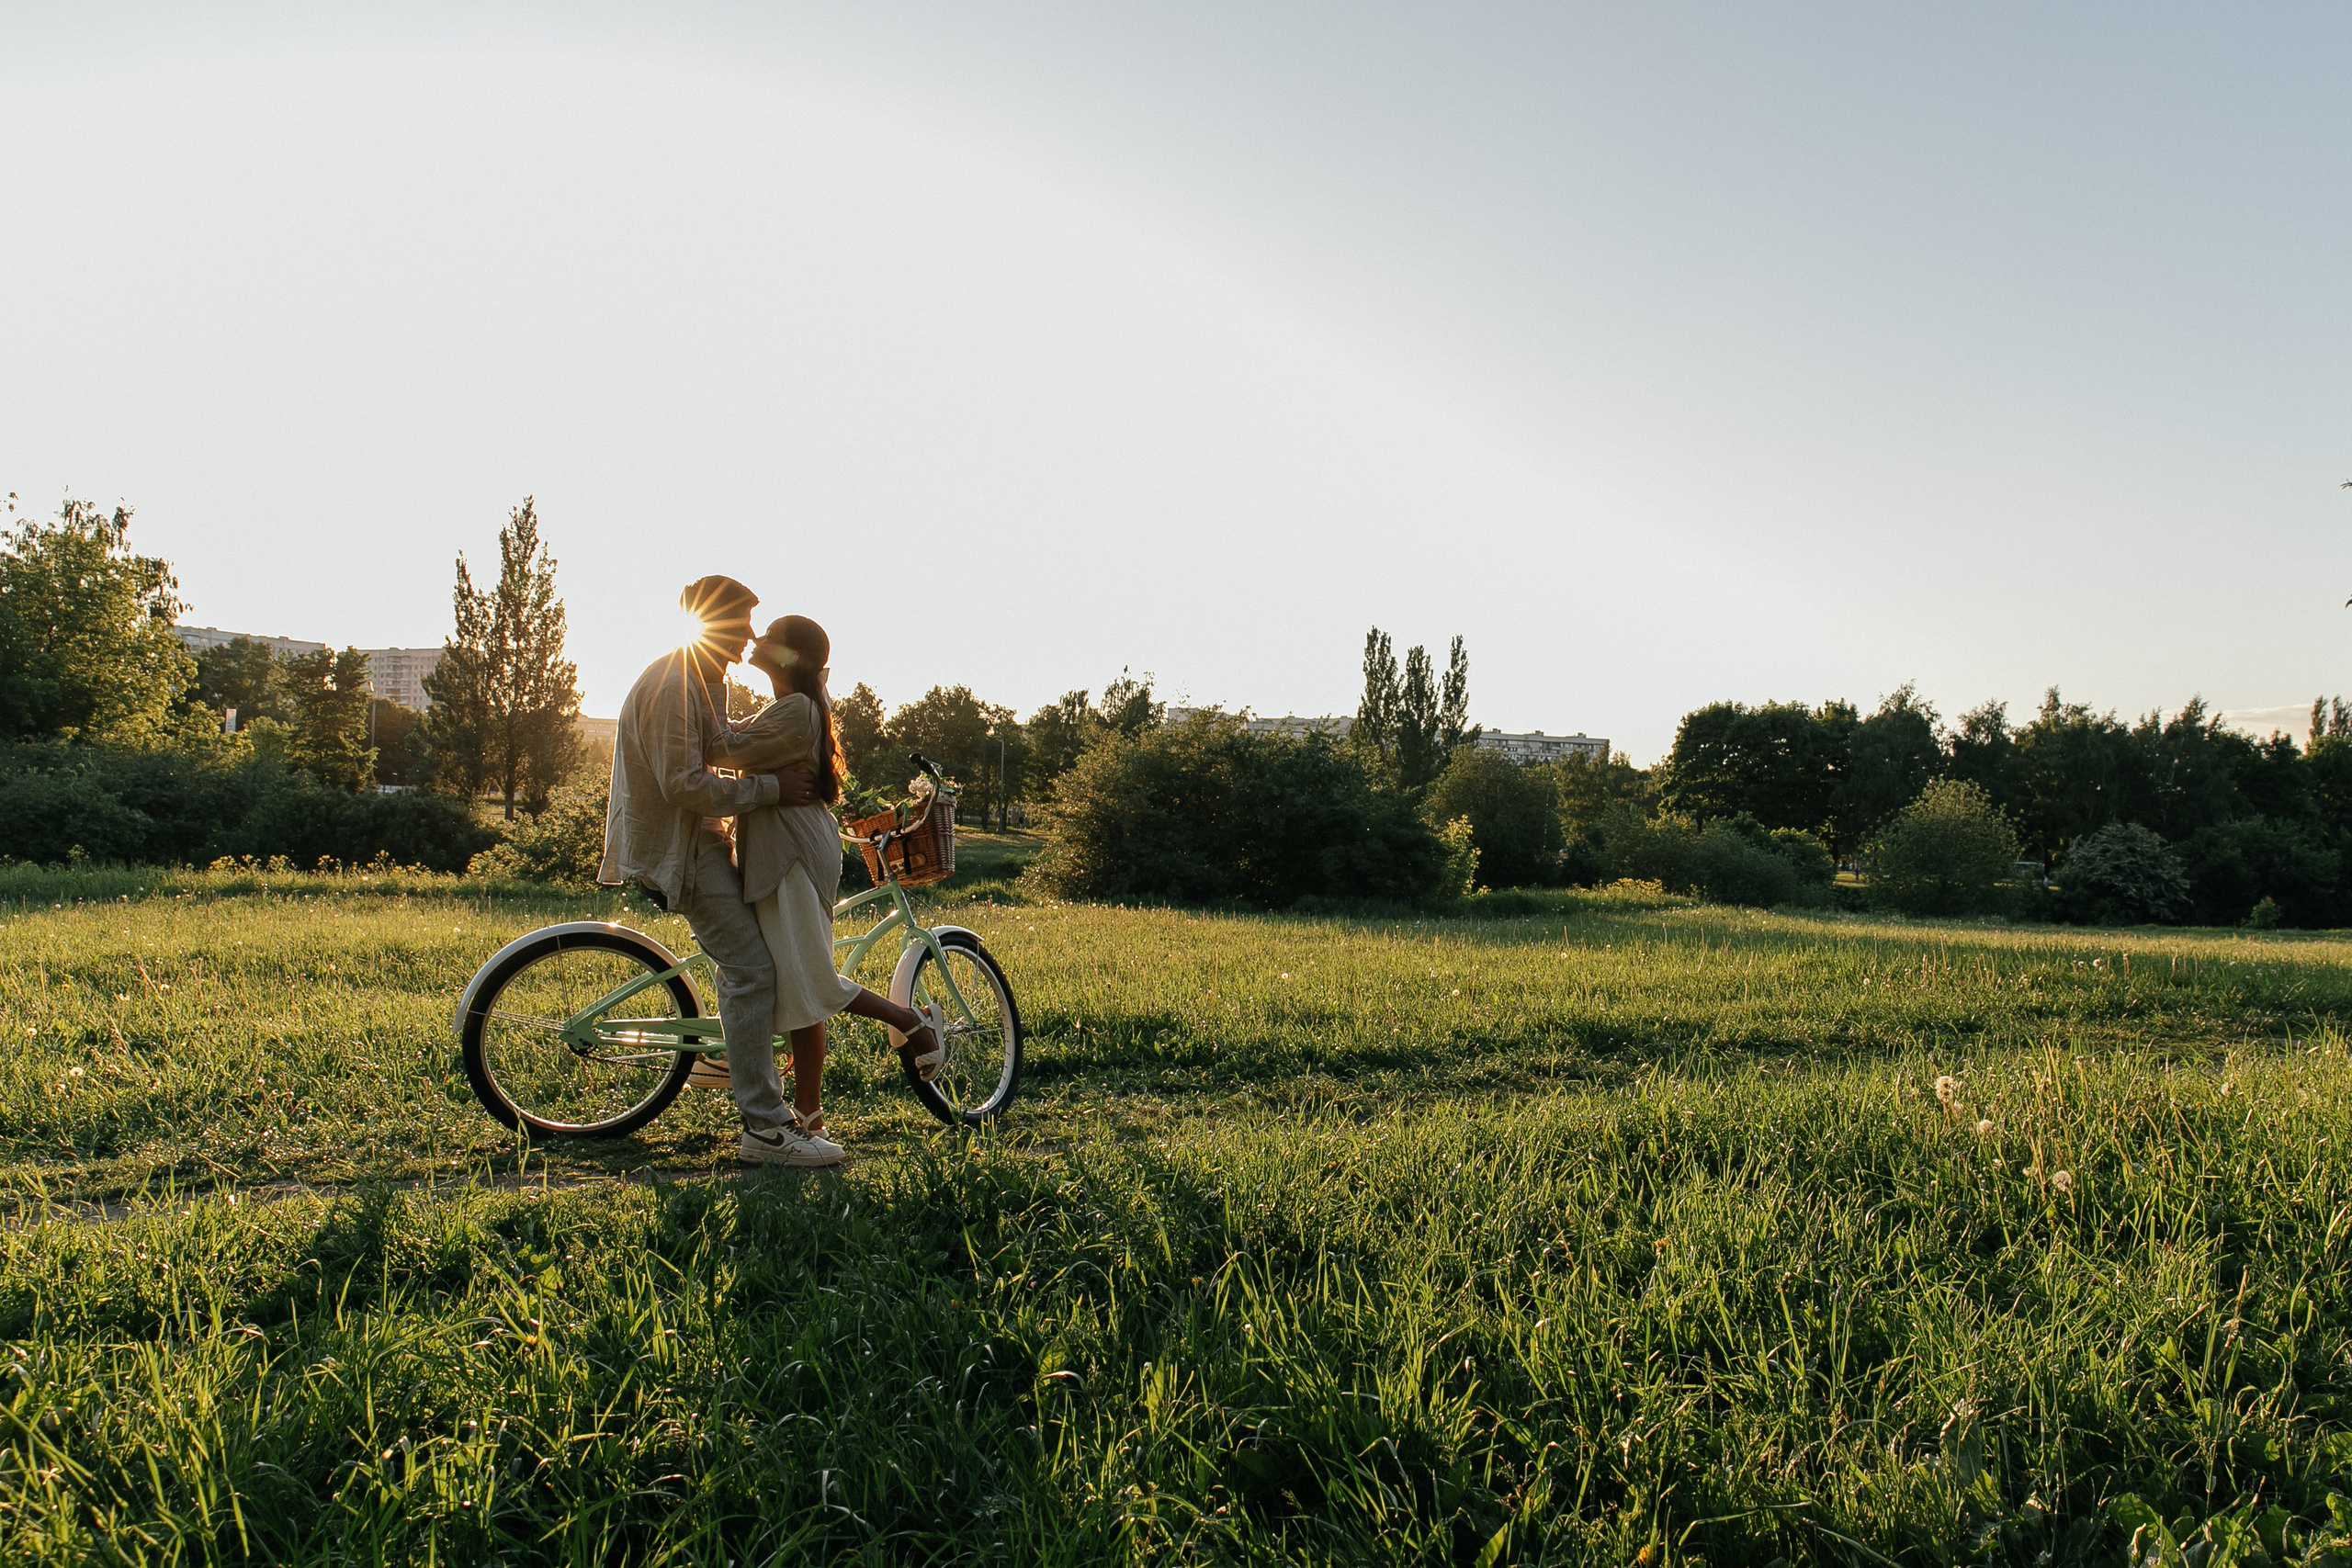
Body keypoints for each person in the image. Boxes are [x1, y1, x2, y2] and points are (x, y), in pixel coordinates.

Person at [596, 575, 832, 1167]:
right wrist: (772, 788)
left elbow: (720, 746)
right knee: (753, 972)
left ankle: (736, 1061)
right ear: (717, 621)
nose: (751, 635)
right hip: (683, 848)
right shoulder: (677, 682)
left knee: (749, 968)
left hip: (701, 840)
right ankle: (765, 1128)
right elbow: (683, 783)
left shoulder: (705, 679)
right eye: (745, 623)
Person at [729, 615, 944, 1153]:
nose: (757, 643)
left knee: (814, 980)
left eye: (769, 639)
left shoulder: (796, 709)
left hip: (791, 855)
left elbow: (722, 750)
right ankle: (810, 1115)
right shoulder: (794, 707)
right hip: (789, 850)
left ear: (790, 658)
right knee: (801, 988)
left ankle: (911, 1022)